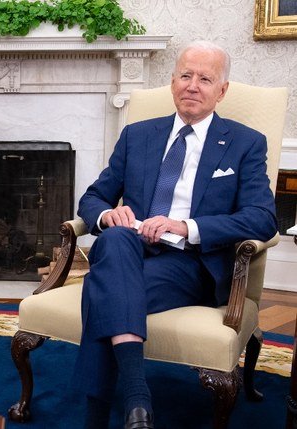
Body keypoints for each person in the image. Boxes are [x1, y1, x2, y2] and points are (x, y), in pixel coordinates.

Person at [75, 41, 277, 429]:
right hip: (130, 249)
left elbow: (262, 217)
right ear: (172, 83)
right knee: (115, 239)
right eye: (185, 75)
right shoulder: (137, 135)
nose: (192, 85)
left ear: (223, 90)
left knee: (103, 291)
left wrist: (186, 227)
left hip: (190, 264)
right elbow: (94, 197)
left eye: (205, 78)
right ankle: (138, 400)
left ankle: (97, 416)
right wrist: (107, 215)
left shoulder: (245, 143)